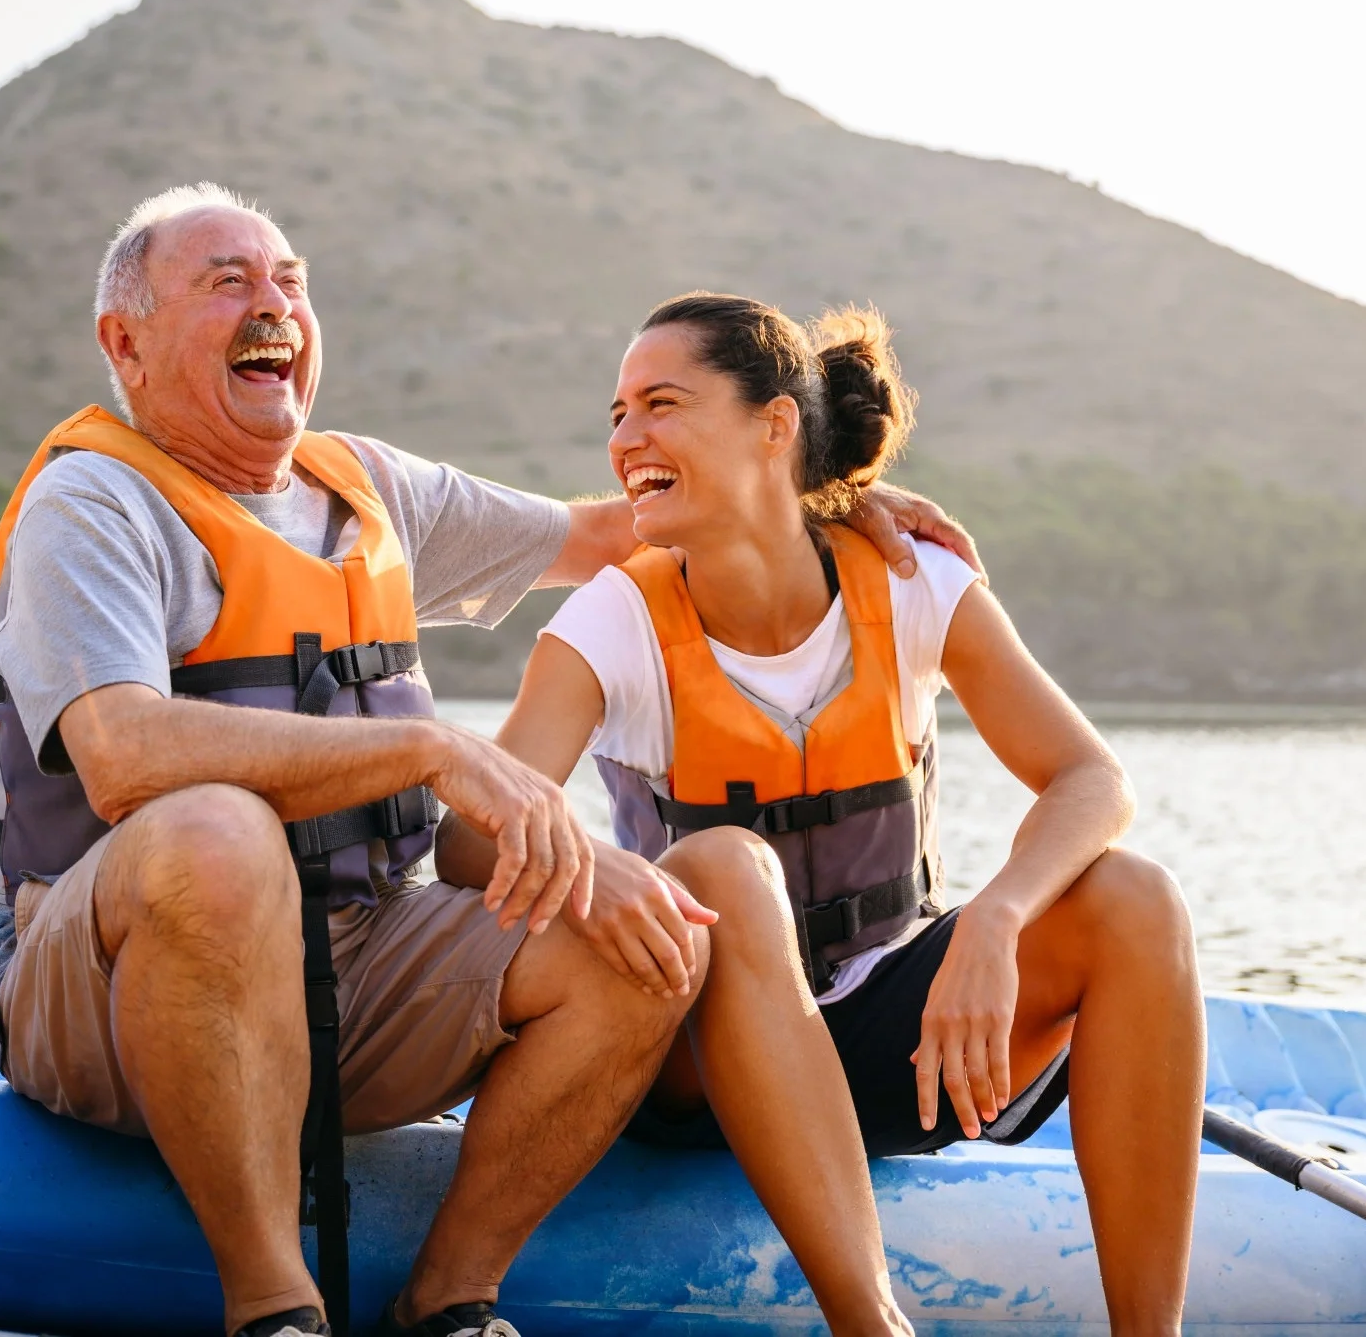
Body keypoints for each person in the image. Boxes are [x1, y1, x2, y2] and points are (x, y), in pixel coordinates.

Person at [0, 186, 975, 1337]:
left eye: (290, 278)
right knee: (216, 832)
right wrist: (429, 749)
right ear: (125, 342)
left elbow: (617, 533)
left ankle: (448, 1300)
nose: (274, 303)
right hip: (101, 989)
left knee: (641, 934)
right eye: (227, 281)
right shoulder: (90, 504)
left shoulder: (371, 491)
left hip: (351, 969)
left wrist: (800, 497)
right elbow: (124, 757)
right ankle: (272, 1307)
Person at [437, 293, 1207, 1335]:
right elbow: (466, 839)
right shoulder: (615, 616)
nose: (626, 440)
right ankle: (869, 1321)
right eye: (616, 414)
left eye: (660, 404)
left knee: (1134, 897)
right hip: (693, 1070)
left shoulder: (912, 579)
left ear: (774, 424)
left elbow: (1091, 779)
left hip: (897, 1050)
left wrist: (998, 918)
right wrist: (593, 867)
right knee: (720, 866)